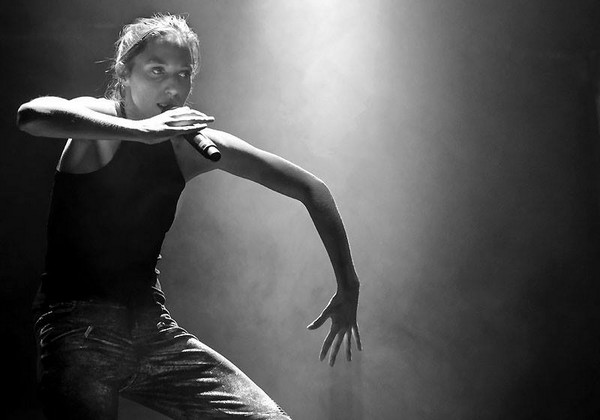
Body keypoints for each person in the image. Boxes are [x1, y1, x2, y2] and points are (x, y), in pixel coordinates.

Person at [17, 13, 361, 420]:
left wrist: (349, 284)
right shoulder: (99, 120)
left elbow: (312, 189)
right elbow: (32, 115)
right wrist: (144, 132)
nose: (173, 87)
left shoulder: (191, 147)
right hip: (77, 327)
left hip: (153, 330)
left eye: (183, 75)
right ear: (124, 72)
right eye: (157, 70)